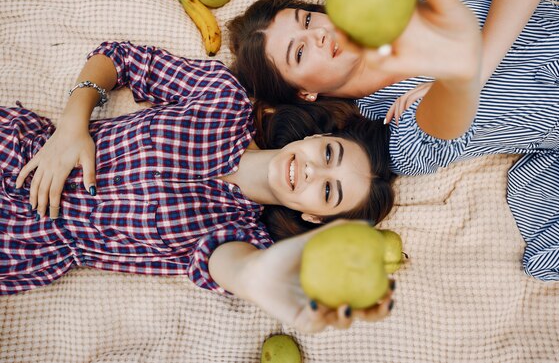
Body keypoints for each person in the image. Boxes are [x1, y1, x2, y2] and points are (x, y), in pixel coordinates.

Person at [228, 0, 559, 281]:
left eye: (308, 19)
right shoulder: (387, 135)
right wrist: (453, 84)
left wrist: (478, 62)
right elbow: (441, 129)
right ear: (305, 93)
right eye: (298, 52)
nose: (317, 35)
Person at [0, 41, 396, 333]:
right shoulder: (224, 99)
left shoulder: (245, 238)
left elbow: (230, 266)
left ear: (314, 216)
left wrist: (260, 279)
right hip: (19, 151)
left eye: (328, 192)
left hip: (22, 243)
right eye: (328, 154)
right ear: (314, 137)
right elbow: (120, 59)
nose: (313, 171)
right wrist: (72, 125)